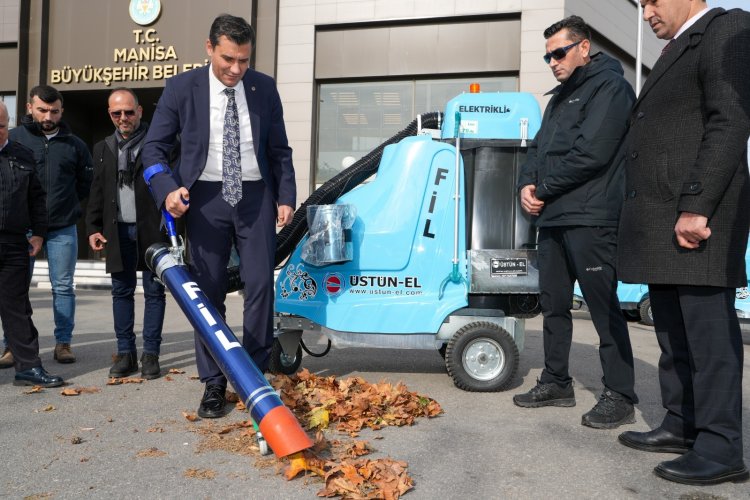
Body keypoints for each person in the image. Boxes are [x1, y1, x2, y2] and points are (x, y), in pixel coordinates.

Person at [617, 0, 750, 485]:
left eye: (652, 0)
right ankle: (682, 424)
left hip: (696, 216)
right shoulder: (679, 47)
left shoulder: (726, 27)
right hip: (662, 217)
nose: (647, 11)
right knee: (674, 335)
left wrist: (696, 204)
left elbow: (730, 119)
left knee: (708, 338)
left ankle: (720, 449)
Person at [142, 14, 296, 418]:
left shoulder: (264, 88)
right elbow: (153, 149)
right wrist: (167, 192)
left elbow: (280, 150)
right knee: (207, 291)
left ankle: (257, 373)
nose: (236, 69)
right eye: (228, 59)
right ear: (209, 48)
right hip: (204, 196)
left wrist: (286, 196)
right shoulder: (181, 88)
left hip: (255, 194)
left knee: (261, 284)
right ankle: (213, 382)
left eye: (244, 60)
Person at [512, 16, 638, 429]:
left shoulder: (611, 88)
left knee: (603, 309)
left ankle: (619, 393)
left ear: (583, 47)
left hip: (591, 217)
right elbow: (537, 148)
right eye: (547, 55)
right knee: (553, 305)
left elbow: (593, 154)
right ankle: (556, 381)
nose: (552, 61)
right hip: (553, 218)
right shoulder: (558, 98)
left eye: (559, 52)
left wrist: (542, 187)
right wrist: (526, 185)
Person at [86, 88, 171, 380]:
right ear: (110, 115)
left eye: (129, 111)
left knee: (154, 292)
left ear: (140, 112)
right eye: (116, 113)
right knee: (121, 293)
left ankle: (150, 355)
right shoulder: (102, 148)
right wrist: (93, 227)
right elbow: (96, 191)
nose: (123, 118)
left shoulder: (158, 144)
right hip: (116, 229)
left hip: (152, 229)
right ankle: (125, 354)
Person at [9, 85, 93, 364]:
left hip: (61, 228)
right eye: (42, 110)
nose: (48, 116)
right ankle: (13, 345)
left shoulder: (76, 145)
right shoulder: (13, 141)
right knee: (16, 288)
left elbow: (84, 184)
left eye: (54, 111)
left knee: (63, 286)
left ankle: (63, 343)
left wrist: (68, 206)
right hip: (22, 229)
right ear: (29, 108)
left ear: (61, 111)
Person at [0, 100, 64, 387]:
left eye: (1, 126)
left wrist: (39, 232)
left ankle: (28, 367)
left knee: (17, 308)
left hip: (13, 243)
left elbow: (37, 199)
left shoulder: (22, 155)